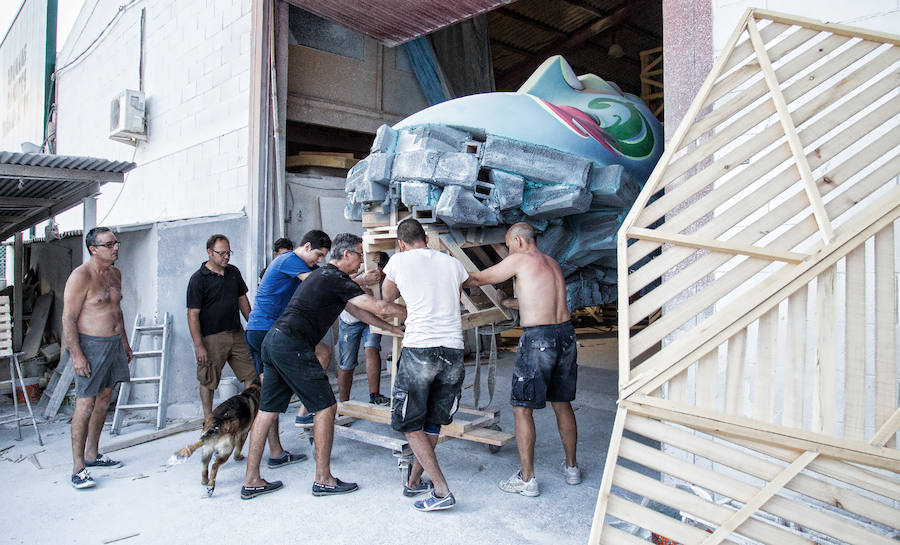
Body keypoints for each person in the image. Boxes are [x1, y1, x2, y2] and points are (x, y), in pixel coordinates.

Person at [241, 233, 406, 500]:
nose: (363, 262)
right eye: (360, 256)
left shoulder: (327, 277)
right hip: (291, 344)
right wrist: (415, 311)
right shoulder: (334, 278)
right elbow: (376, 305)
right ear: (348, 255)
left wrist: (391, 329)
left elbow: (358, 311)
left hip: (273, 341)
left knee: (267, 410)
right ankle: (324, 479)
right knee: (326, 407)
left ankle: (251, 481)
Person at [464, 222, 580, 497]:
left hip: (538, 339)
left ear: (517, 240)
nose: (507, 251)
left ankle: (527, 479)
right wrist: (508, 303)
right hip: (565, 335)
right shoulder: (550, 263)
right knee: (563, 405)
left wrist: (447, 271)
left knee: (521, 409)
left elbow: (480, 279)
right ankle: (572, 468)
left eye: (507, 245)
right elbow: (541, 299)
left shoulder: (519, 259)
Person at [381, 219, 470, 512]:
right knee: (433, 420)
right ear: (426, 239)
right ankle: (415, 482)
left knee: (407, 421)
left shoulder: (398, 260)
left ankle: (442, 490)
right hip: (453, 349)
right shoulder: (452, 263)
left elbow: (387, 296)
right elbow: (455, 298)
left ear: (401, 243)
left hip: (421, 347)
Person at [244, 230, 332, 469]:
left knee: (269, 401)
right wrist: (360, 281)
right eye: (318, 254)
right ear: (305, 246)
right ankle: (304, 413)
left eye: (324, 256)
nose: (320, 260)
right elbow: (321, 283)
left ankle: (276, 452)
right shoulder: (290, 261)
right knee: (270, 399)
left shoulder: (303, 265)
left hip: (267, 331)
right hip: (267, 331)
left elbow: (326, 276)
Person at [62, 227, 133, 489]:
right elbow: (68, 318)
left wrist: (124, 341)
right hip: (91, 345)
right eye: (109, 244)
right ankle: (78, 467)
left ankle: (93, 453)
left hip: (114, 344)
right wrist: (77, 355)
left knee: (105, 398)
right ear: (93, 249)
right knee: (85, 404)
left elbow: (117, 310)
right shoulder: (80, 277)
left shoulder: (115, 274)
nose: (115, 248)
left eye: (116, 243)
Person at [186, 234, 257, 421]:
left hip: (236, 332)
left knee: (251, 372)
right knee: (208, 379)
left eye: (228, 253)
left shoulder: (233, 272)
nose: (226, 257)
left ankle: (248, 413)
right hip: (212, 337)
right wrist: (198, 344)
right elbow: (192, 314)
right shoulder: (198, 279)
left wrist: (254, 324)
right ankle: (208, 418)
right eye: (221, 253)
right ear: (210, 253)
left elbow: (243, 300)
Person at [337, 251, 391, 405]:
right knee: (347, 363)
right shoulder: (352, 269)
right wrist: (362, 277)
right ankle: (344, 403)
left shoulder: (384, 274)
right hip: (350, 321)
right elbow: (339, 285)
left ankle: (375, 395)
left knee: (372, 349)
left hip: (371, 318)